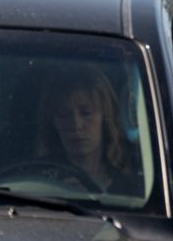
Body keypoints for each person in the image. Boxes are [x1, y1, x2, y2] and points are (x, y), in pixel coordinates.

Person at [36, 64, 136, 193]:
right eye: (64, 115)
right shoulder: (39, 180)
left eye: (86, 113)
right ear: (53, 122)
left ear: (104, 116)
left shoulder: (134, 186)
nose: (76, 126)